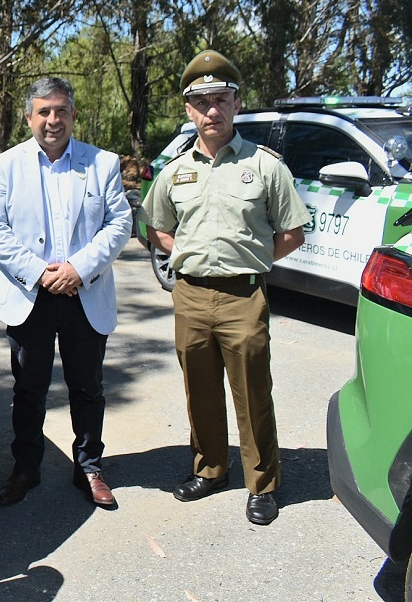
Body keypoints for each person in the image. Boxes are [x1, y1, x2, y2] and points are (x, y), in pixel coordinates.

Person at [138, 50, 311, 525]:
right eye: (201, 102)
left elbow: (292, 232)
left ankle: (263, 484)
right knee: (200, 390)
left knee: (253, 392)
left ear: (237, 103)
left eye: (221, 99)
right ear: (189, 110)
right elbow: (155, 226)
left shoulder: (266, 166)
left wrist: (250, 260)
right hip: (190, 296)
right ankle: (210, 468)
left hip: (243, 296)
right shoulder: (174, 170)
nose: (211, 110)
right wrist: (185, 255)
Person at [0, 76, 132, 508]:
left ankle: (89, 467)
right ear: (29, 117)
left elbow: (119, 225)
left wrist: (78, 269)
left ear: (73, 114)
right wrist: (40, 273)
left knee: (88, 387)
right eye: (44, 111)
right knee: (30, 389)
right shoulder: (7, 164)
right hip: (32, 295)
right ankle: (26, 468)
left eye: (61, 110)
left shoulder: (102, 163)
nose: (53, 120)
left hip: (85, 291)